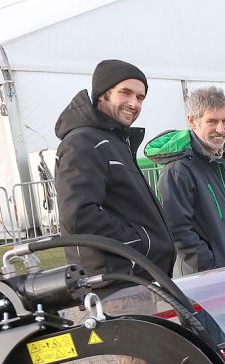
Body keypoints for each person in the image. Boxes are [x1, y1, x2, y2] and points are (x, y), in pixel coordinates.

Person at [54, 59, 175, 293]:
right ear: (103, 94)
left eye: (140, 98)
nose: (134, 103)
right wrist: (141, 242)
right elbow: (78, 214)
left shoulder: (114, 141)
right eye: (125, 93)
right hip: (116, 285)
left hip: (136, 279)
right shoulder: (84, 141)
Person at [145, 86, 225, 275]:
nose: (220, 129)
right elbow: (177, 229)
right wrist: (210, 266)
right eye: (212, 122)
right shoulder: (178, 170)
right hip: (209, 280)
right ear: (192, 121)